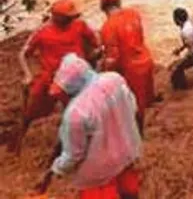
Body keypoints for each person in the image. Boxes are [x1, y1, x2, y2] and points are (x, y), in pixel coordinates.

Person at [38, 53, 142, 199]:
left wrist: (55, 170)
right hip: (126, 153)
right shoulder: (114, 79)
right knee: (129, 193)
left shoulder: (76, 113)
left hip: (97, 174)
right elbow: (133, 107)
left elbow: (73, 156)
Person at [11, 0, 99, 154]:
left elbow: (96, 42)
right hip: (50, 76)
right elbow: (23, 54)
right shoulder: (42, 31)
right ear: (57, 16)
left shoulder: (80, 25)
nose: (72, 19)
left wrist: (93, 57)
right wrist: (28, 74)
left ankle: (73, 145)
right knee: (33, 108)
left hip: (74, 76)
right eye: (68, 17)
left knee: (78, 112)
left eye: (73, 16)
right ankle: (19, 139)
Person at [98, 0, 156, 134]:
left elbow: (113, 57)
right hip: (145, 59)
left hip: (131, 68)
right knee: (141, 102)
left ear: (103, 8)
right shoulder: (134, 13)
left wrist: (103, 71)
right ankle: (138, 133)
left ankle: (136, 136)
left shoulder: (107, 27)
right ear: (119, 3)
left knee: (133, 104)